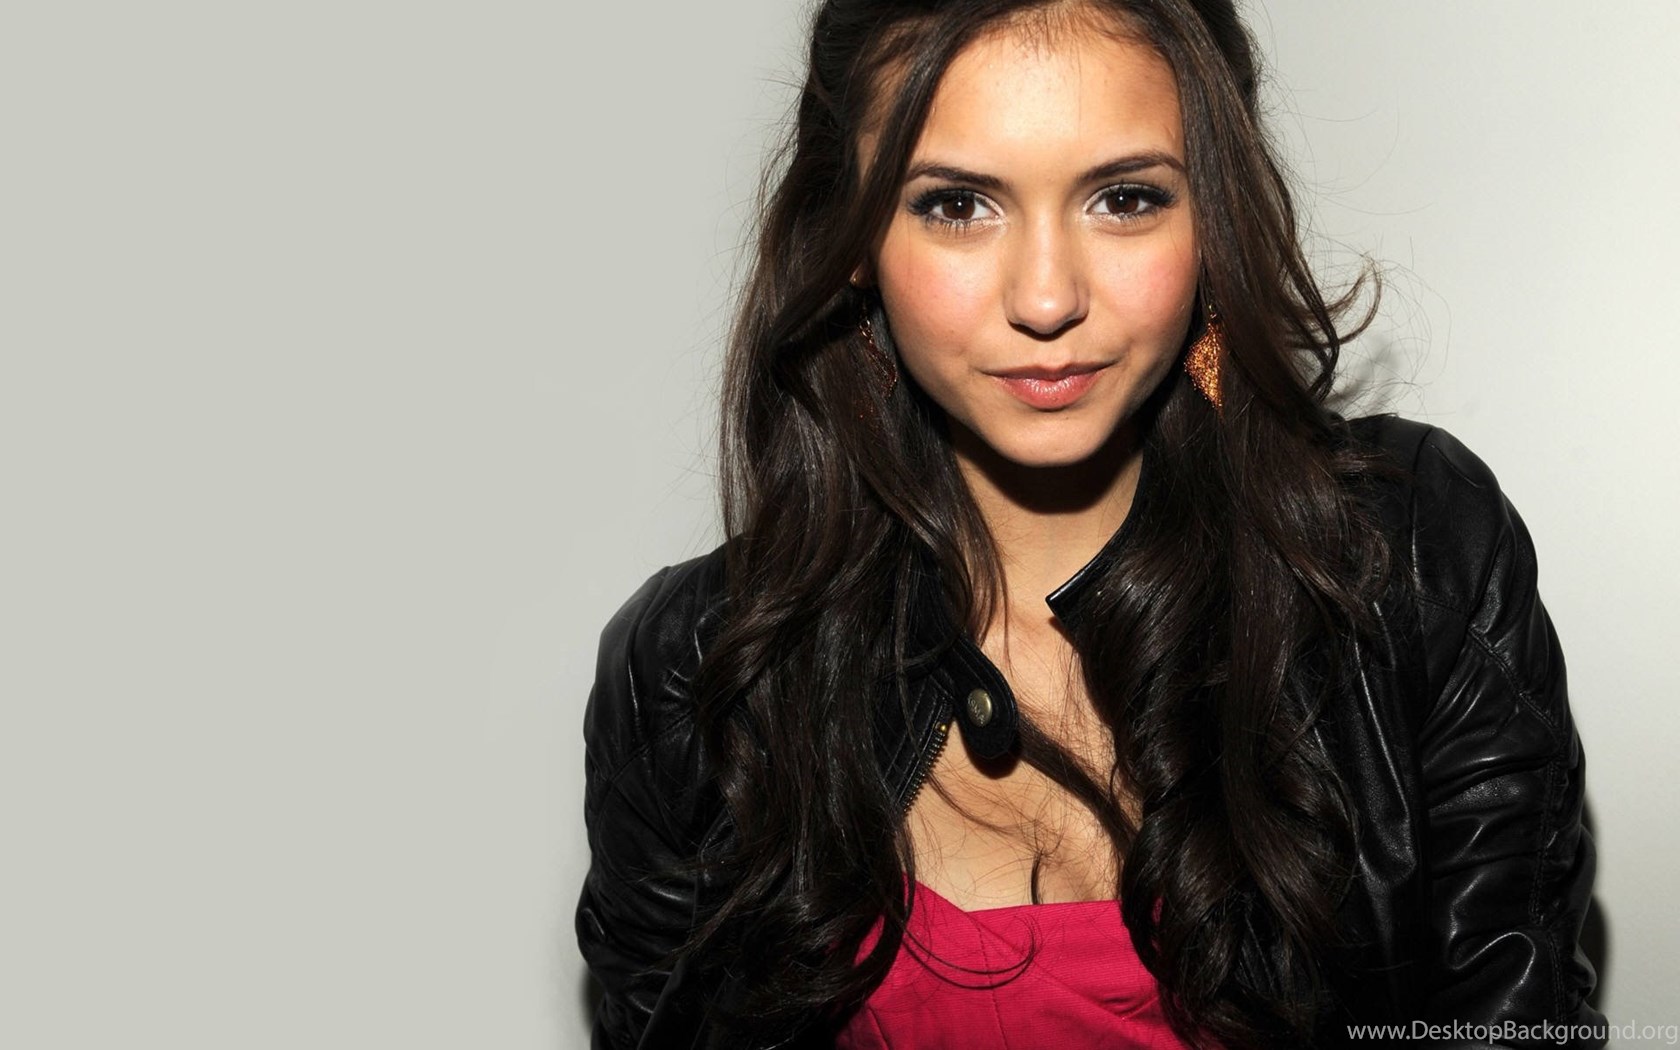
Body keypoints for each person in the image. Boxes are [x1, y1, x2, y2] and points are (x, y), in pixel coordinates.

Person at [576, 0, 1604, 1047]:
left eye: (1124, 198)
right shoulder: (693, 673)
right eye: (957, 205)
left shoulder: (1409, 559)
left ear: (1215, 218)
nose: (1046, 297)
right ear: (852, 241)